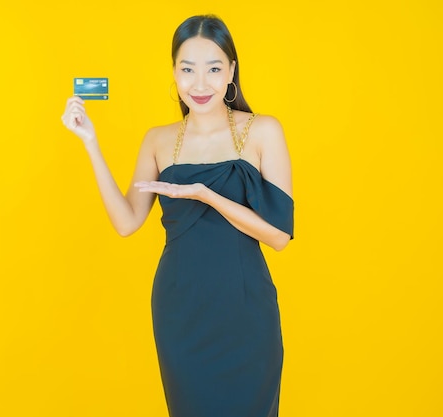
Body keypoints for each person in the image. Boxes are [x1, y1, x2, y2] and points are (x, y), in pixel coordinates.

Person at [61, 14, 294, 417]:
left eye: (213, 69)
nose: (199, 84)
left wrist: (207, 195)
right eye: (187, 70)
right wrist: (91, 144)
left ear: (231, 71)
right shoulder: (158, 139)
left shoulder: (262, 131)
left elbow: (279, 237)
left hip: (245, 311)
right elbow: (127, 222)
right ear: (174, 72)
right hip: (180, 311)